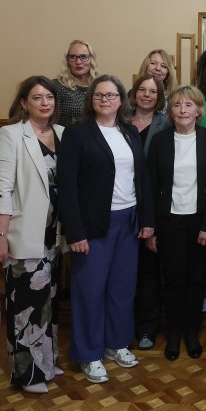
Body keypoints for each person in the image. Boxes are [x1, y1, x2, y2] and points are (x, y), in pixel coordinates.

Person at [58, 75, 155, 383]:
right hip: (93, 225)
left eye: (111, 95)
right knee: (89, 291)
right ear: (91, 100)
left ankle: (117, 343)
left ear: (121, 100)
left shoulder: (130, 132)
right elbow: (67, 187)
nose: (105, 100)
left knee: (122, 288)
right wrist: (75, 233)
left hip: (129, 221)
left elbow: (143, 178)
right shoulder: (76, 134)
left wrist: (147, 220)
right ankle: (89, 354)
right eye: (99, 95)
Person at [0, 76, 65, 394]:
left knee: (48, 301)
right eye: (37, 97)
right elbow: (2, 189)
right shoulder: (11, 134)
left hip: (55, 234)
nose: (45, 102)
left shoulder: (62, 133)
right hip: (24, 231)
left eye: (49, 97)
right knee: (26, 306)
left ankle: (48, 362)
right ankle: (28, 374)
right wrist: (0, 234)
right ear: (23, 102)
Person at [146, 86, 206, 360]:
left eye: (189, 105)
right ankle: (174, 334)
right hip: (168, 221)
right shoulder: (160, 141)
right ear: (170, 111)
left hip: (200, 221)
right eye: (177, 105)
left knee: (196, 280)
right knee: (173, 280)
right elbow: (150, 185)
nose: (182, 110)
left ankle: (191, 333)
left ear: (199, 110)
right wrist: (151, 229)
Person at [130, 73, 170, 349]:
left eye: (153, 91)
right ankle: (122, 324)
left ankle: (146, 328)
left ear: (159, 97)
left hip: (153, 202)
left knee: (149, 271)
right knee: (123, 271)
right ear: (134, 94)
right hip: (122, 202)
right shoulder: (119, 122)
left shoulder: (166, 124)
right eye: (142, 90)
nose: (147, 95)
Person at [52, 39, 100, 127]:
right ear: (67, 61)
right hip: (66, 133)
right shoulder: (56, 86)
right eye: (73, 57)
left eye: (84, 57)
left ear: (91, 59)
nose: (78, 62)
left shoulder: (99, 86)